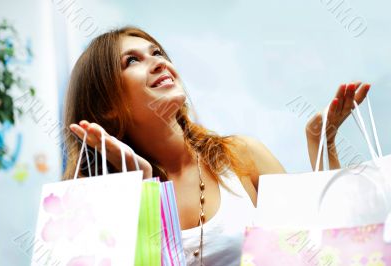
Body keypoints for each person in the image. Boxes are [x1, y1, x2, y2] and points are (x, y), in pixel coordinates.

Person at [64, 26, 371, 265]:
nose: (158, 62)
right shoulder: (103, 203)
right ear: (107, 107)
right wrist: (143, 184)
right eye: (132, 60)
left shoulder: (242, 156)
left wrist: (323, 143)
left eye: (157, 52)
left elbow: (319, 250)